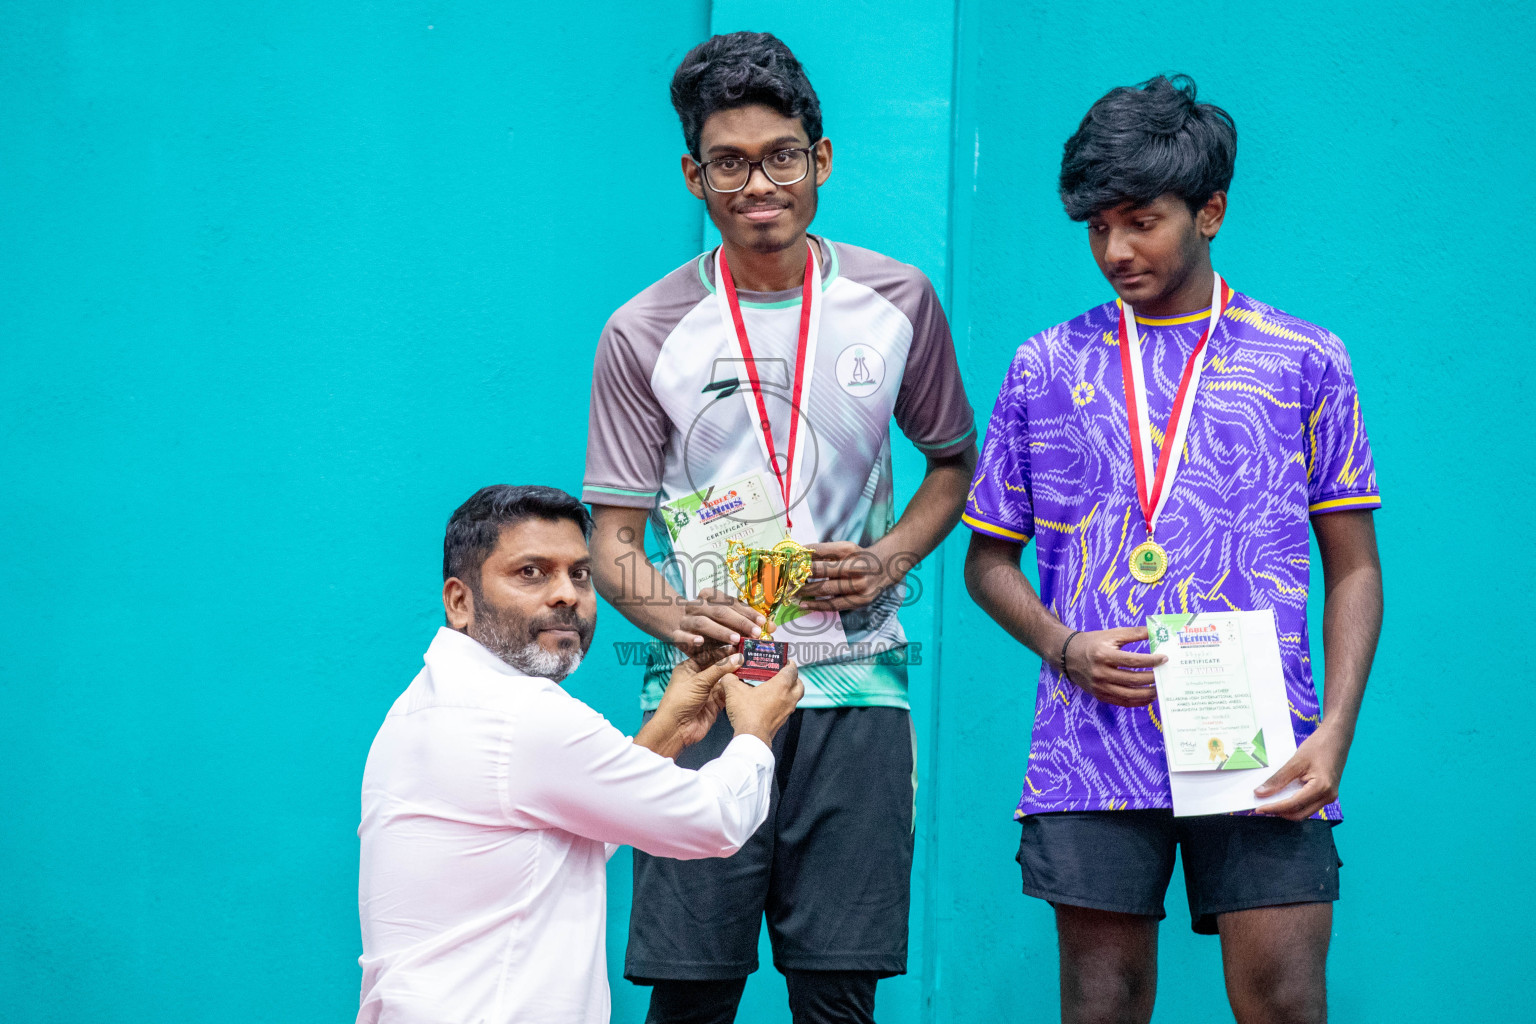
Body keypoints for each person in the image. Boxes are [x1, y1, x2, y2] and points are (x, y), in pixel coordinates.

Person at [962, 76, 1383, 1024]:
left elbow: (1354, 566)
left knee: (1283, 1004)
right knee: (1100, 1006)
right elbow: (986, 563)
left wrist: (1336, 733)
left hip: (1266, 747)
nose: (1116, 250)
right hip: (1091, 744)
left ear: (1212, 212)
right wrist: (1065, 646)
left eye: (1142, 221)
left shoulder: (1306, 358)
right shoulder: (1045, 365)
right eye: (1098, 227)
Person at [581, 32, 977, 1024]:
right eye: (729, 162)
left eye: (781, 155)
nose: (758, 182)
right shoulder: (645, 328)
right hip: (706, 695)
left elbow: (954, 465)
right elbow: (612, 546)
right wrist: (681, 622)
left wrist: (888, 557)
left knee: (837, 997)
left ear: (821, 158)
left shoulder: (898, 301)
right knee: (691, 992)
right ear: (694, 175)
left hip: (859, 688)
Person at [356, 485, 803, 1024]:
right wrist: (755, 732)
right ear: (459, 601)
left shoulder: (417, 709)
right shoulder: (524, 716)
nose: (566, 594)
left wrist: (668, 728)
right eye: (531, 572)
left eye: (580, 574)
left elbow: (568, 834)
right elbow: (715, 822)